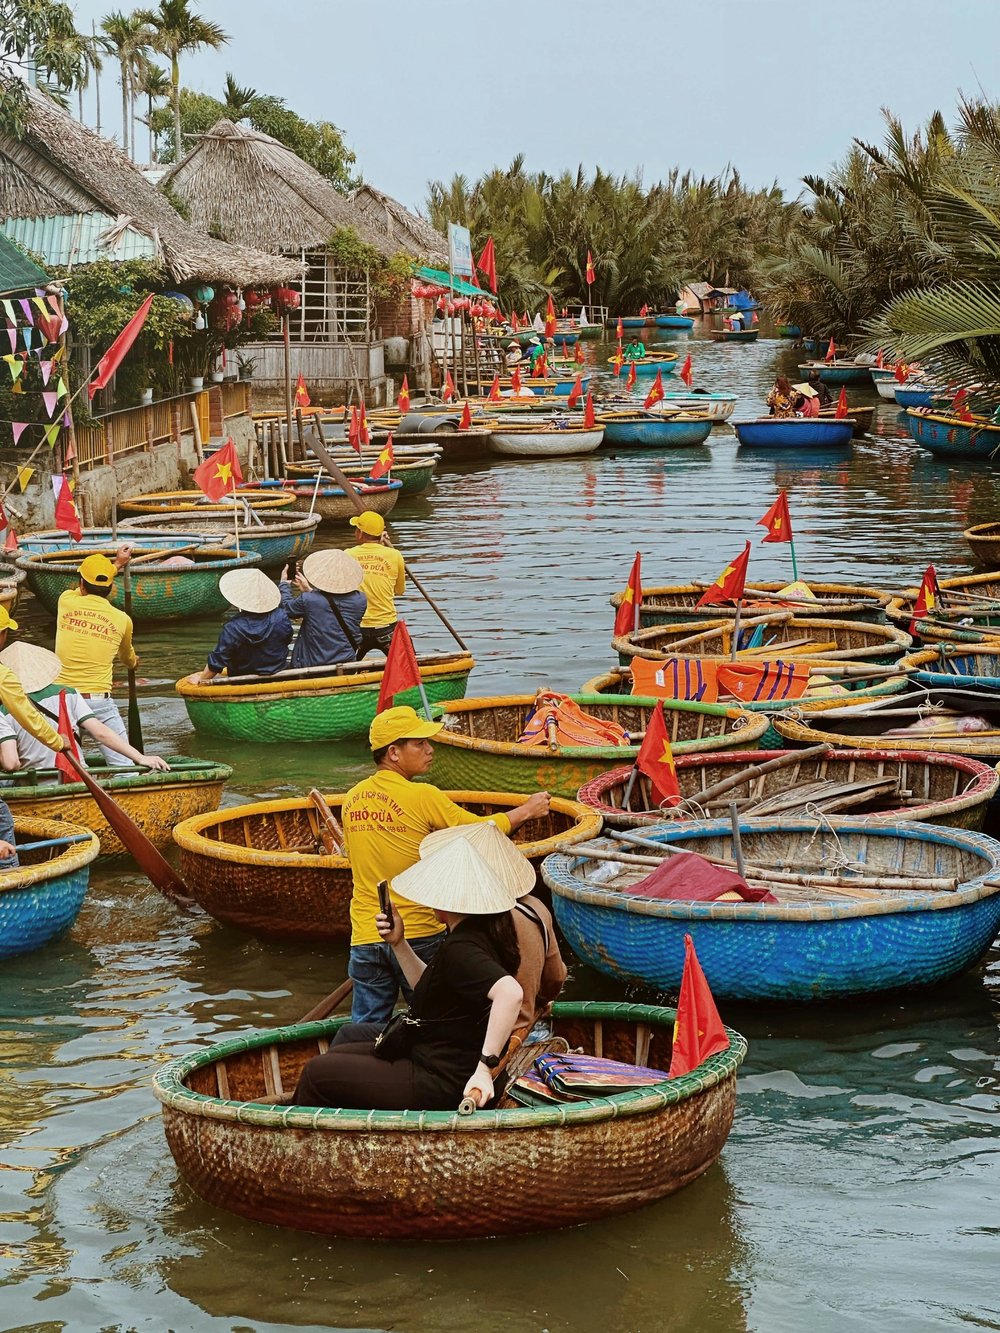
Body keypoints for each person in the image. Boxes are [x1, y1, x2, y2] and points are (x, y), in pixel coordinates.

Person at [341, 705, 551, 1024]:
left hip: (367, 932)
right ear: (393, 753)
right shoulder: (423, 796)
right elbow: (481, 831)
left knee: (367, 1028)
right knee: (438, 1021)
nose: (430, 749)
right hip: (418, 931)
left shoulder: (352, 799)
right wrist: (527, 810)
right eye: (419, 743)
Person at [293, 838, 524, 1111]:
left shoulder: (462, 948)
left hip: (444, 1079)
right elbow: (430, 988)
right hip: (436, 1052)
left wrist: (485, 1069)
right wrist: (398, 943)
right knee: (347, 1035)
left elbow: (510, 994)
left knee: (316, 1074)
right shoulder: (479, 931)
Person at [419, 821, 568, 1043]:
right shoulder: (537, 907)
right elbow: (556, 977)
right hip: (527, 1029)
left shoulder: (476, 921)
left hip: (488, 1040)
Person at [0, 642, 168, 774]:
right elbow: (100, 731)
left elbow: (11, 762)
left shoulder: (4, 710)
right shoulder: (68, 693)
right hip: (79, 778)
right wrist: (140, 758)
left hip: (36, 784)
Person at [0, 607, 71, 868]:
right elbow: (27, 715)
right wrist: (57, 742)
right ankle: (11, 882)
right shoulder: (3, 676)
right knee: (3, 822)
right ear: (2, 635)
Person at [54, 549, 138, 766]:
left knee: (69, 768)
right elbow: (128, 658)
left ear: (81, 585)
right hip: (97, 702)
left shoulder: (66, 601)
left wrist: (116, 564)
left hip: (61, 702)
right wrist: (134, 662)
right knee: (126, 769)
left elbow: (85, 586)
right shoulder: (122, 619)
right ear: (110, 589)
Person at [186, 568, 292, 685]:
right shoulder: (281, 616)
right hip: (277, 673)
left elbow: (217, 662)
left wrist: (201, 680)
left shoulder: (233, 627)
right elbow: (287, 639)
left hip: (241, 679)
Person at [279, 550, 366, 669]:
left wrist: (284, 584)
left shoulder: (309, 599)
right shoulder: (360, 599)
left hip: (313, 666)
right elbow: (327, 606)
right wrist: (309, 591)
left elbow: (287, 609)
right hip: (347, 663)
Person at [346, 511, 406, 656]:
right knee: (409, 664)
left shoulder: (348, 555)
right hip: (386, 626)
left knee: (344, 667)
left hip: (356, 628)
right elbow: (399, 591)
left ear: (360, 533)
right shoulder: (395, 555)